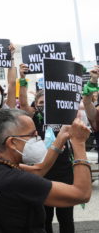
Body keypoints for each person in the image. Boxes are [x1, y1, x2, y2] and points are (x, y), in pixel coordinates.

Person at [0, 109, 92, 233]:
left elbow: (39, 170)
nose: (38, 138)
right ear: (12, 143)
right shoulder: (18, 181)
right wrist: (79, 143)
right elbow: (81, 194)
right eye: (33, 135)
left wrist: (60, 138)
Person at [19, 64, 75, 233]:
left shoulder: (63, 115)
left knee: (66, 218)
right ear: (36, 104)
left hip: (64, 171)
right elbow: (22, 104)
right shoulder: (34, 117)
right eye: (41, 102)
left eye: (47, 102)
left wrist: (68, 70)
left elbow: (70, 96)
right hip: (43, 173)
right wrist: (22, 78)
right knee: (45, 218)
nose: (44, 105)